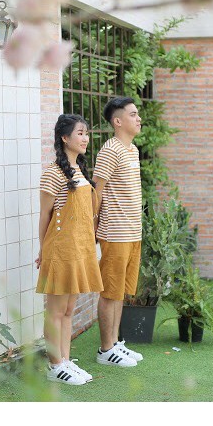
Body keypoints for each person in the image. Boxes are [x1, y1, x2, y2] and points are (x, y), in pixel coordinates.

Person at [35, 114, 104, 385]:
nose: (85, 138)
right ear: (65, 138)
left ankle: (64, 360)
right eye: (80, 133)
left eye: (86, 133)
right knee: (55, 310)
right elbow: (44, 215)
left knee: (68, 309)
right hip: (60, 250)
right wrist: (43, 251)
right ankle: (54, 366)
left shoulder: (79, 171)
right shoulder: (53, 173)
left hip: (79, 249)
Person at [93, 97, 144, 367]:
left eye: (137, 114)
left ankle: (114, 344)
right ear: (117, 121)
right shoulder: (110, 150)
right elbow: (96, 191)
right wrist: (92, 226)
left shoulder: (132, 150)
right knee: (110, 292)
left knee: (121, 292)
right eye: (133, 114)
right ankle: (105, 350)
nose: (138, 118)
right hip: (115, 232)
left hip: (133, 232)